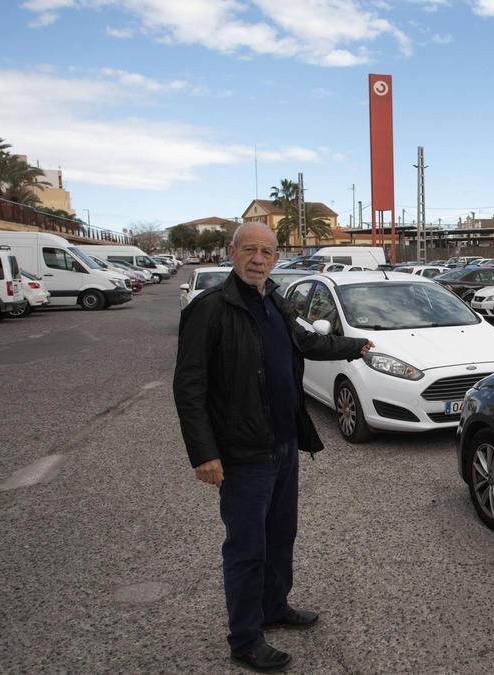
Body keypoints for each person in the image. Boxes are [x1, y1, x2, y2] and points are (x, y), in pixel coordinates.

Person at [173, 222, 373, 672]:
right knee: (247, 547)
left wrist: (355, 345)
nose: (257, 259)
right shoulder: (211, 310)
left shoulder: (275, 301)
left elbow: (307, 341)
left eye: (266, 251)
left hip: (283, 444)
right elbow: (188, 388)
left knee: (281, 536)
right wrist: (203, 453)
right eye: (249, 250)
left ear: (276, 259)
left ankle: (274, 607)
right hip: (243, 453)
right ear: (232, 252)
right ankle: (244, 638)